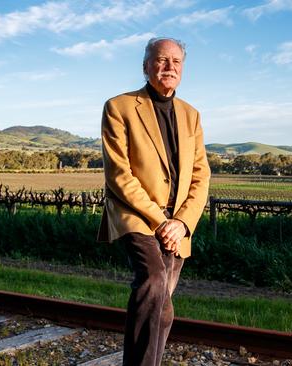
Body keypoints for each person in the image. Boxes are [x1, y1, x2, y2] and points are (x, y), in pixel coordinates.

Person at [97, 37, 211, 366]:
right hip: (135, 214)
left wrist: (182, 222)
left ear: (183, 69)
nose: (169, 67)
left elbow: (202, 175)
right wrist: (160, 221)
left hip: (178, 222)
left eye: (176, 62)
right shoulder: (118, 107)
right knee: (154, 280)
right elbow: (119, 174)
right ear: (146, 66)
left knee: (162, 305)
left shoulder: (191, 115)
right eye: (161, 60)